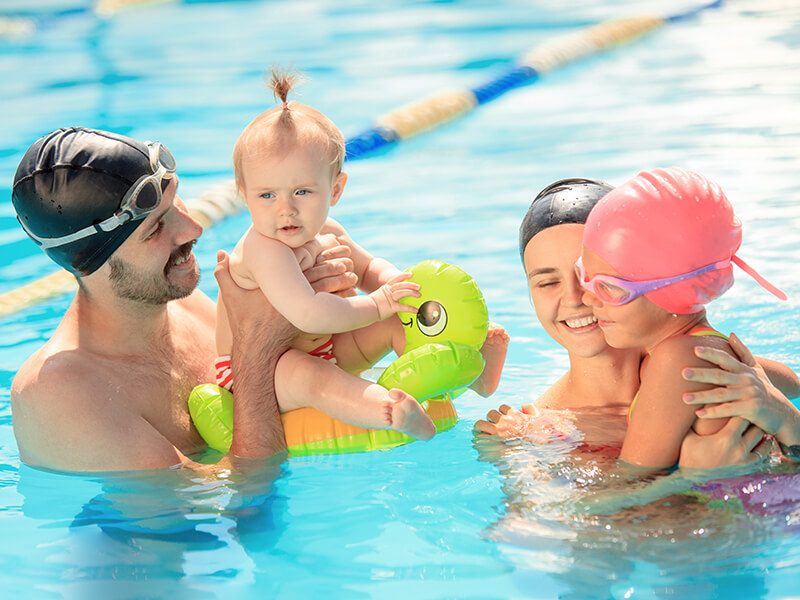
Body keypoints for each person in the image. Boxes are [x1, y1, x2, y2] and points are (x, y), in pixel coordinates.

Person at [9, 127, 383, 472]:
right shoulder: (62, 395)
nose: (193, 229)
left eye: (176, 203)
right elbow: (230, 513)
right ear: (88, 262)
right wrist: (257, 348)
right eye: (156, 228)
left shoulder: (180, 303)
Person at [217, 72, 506, 440]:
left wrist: (397, 286)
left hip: (328, 347)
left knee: (400, 319)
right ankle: (388, 411)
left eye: (302, 192)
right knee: (310, 374)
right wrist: (378, 303)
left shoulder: (329, 232)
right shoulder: (263, 249)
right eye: (267, 195)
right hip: (261, 369)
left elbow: (369, 267)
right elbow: (310, 313)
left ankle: (471, 377)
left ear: (335, 189)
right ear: (244, 194)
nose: (285, 209)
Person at [476, 177, 799, 468]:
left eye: (596, 279)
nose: (579, 297)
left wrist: (781, 413)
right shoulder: (533, 432)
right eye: (547, 283)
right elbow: (557, 527)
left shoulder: (687, 363)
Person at [577, 167, 789, 468]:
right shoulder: (712, 350)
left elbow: (627, 489)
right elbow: (791, 383)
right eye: (583, 274)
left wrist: (689, 478)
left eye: (608, 287)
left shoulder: (676, 361)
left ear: (672, 291)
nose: (586, 297)